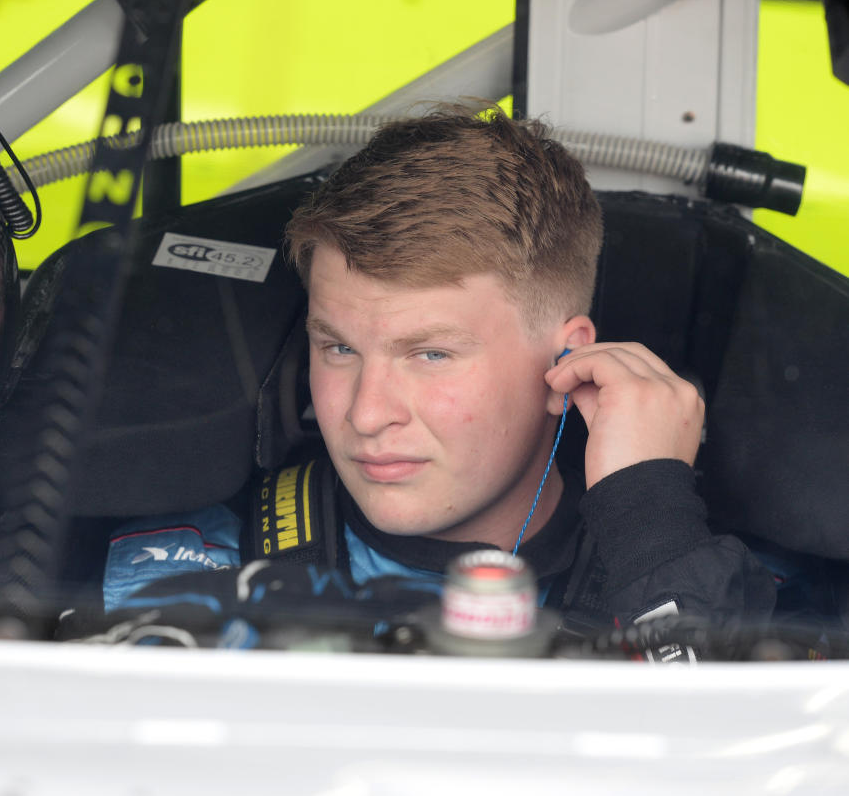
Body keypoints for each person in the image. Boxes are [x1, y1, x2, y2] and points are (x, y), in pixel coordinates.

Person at [89, 106, 777, 645]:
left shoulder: (723, 583)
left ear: (568, 363)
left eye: (431, 354)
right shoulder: (188, 572)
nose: (366, 414)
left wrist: (652, 519)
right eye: (339, 349)